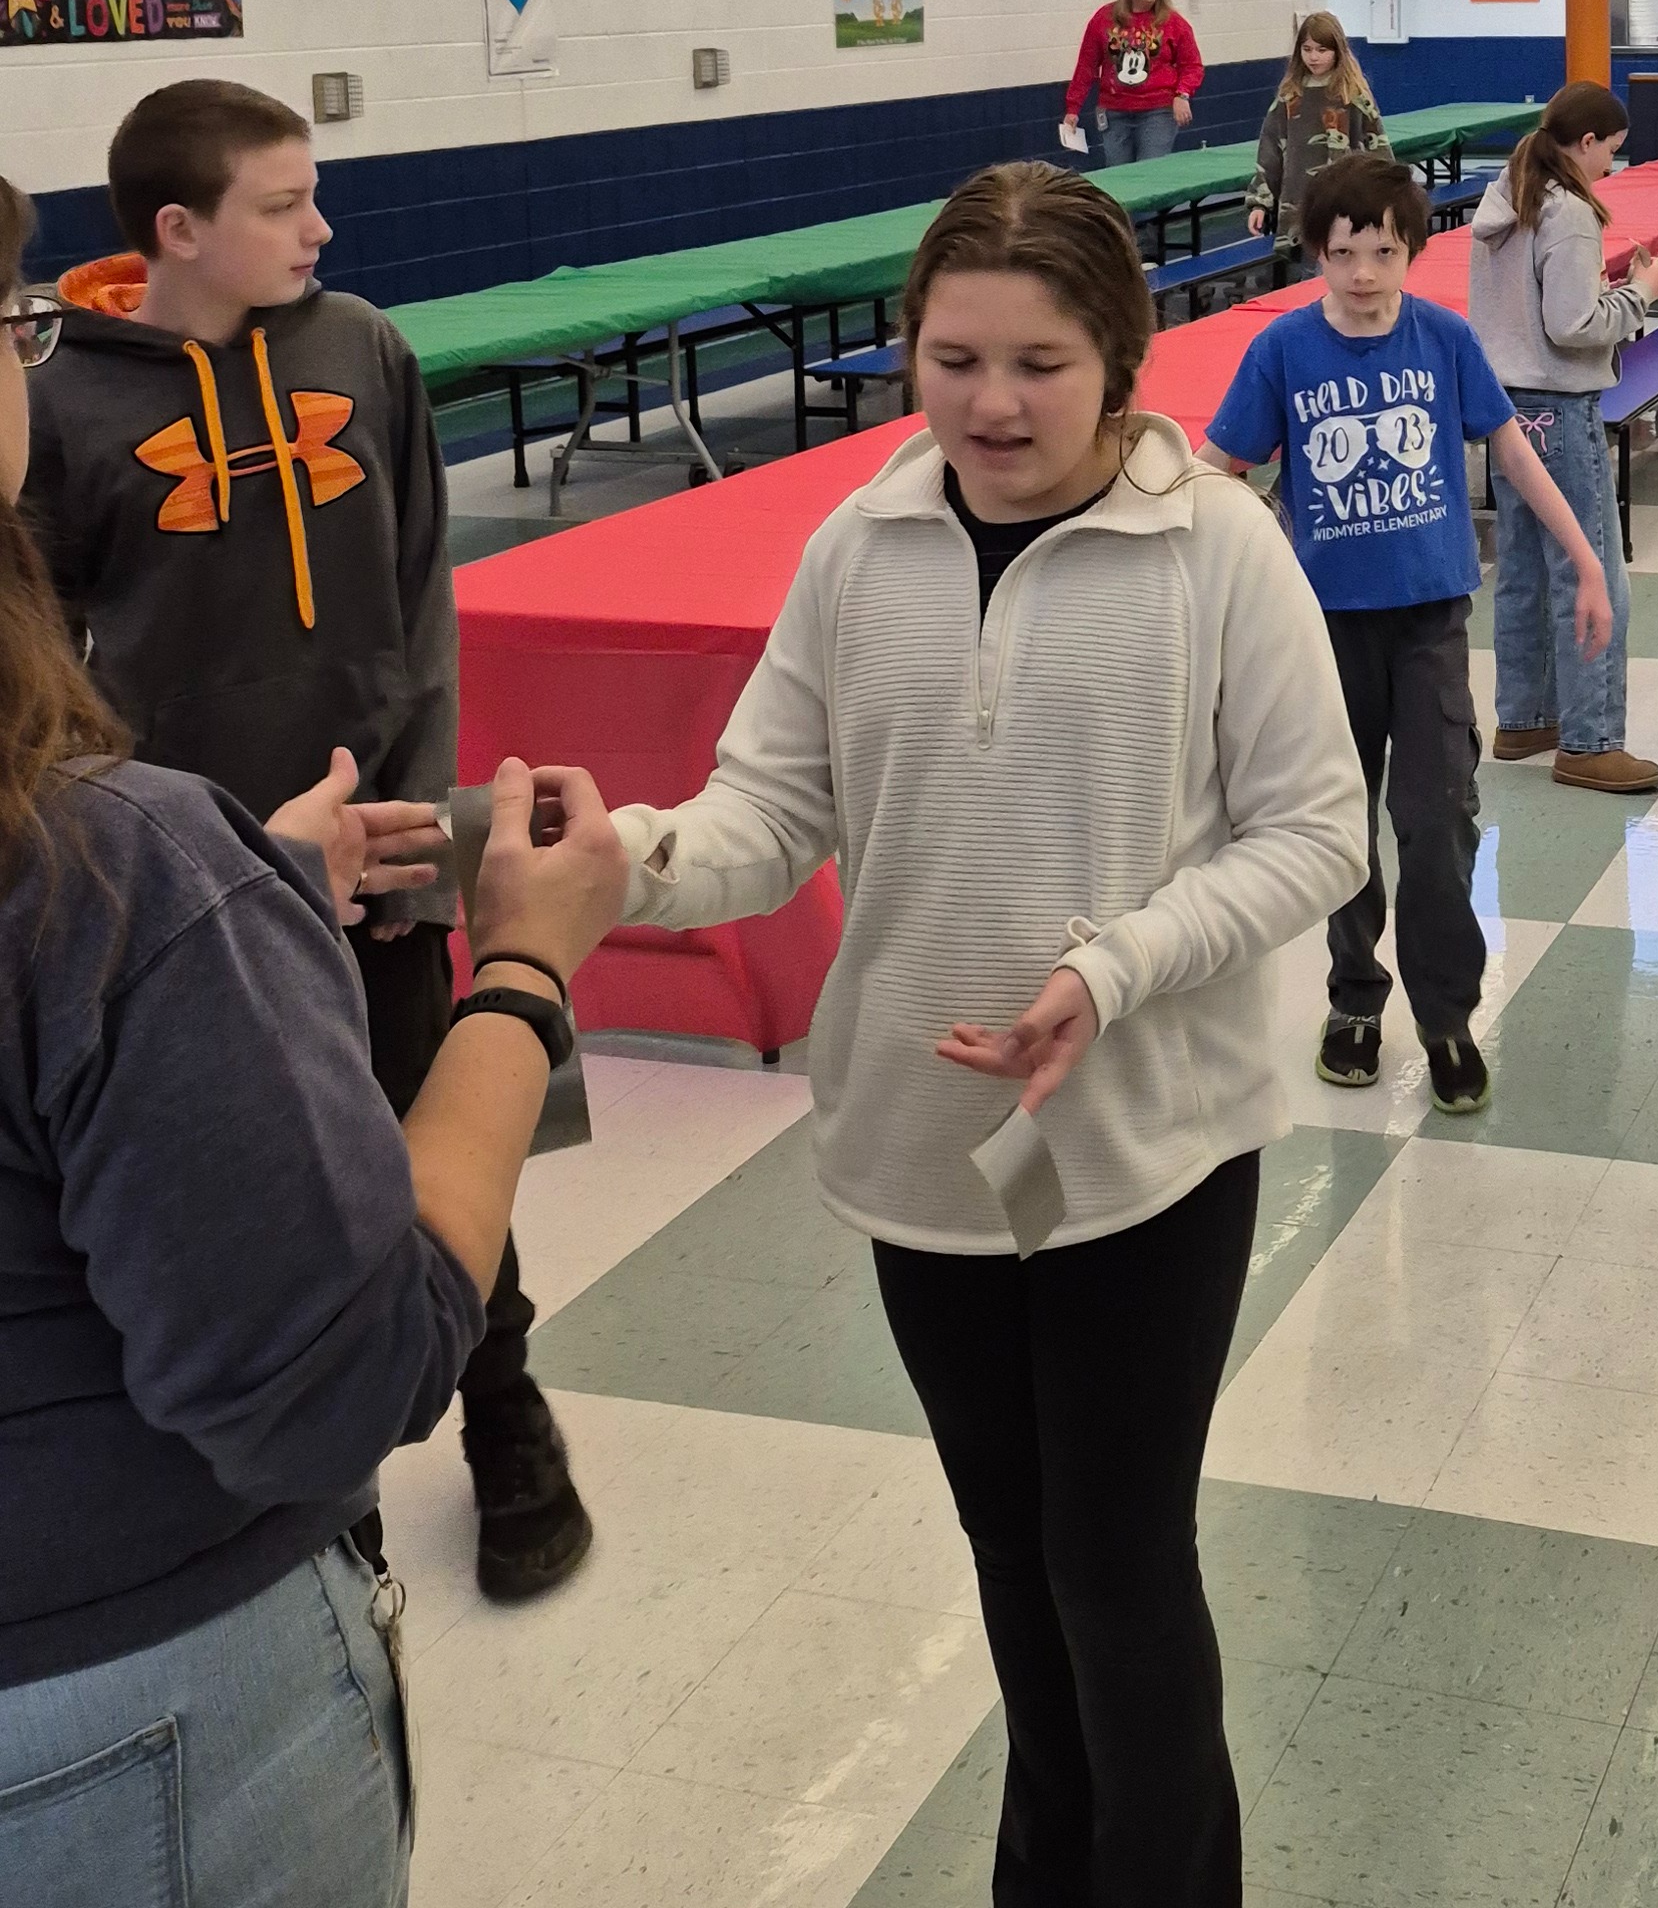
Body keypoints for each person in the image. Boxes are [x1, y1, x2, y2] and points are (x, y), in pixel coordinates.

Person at [587, 161, 1363, 1908]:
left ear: (1122, 362)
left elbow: (1319, 831)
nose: (991, 406)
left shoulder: (1218, 548)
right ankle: (1050, 1870)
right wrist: (615, 859)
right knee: (1012, 1555)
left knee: (1116, 1560)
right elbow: (766, 818)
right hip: (923, 1147)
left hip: (1150, 1142)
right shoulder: (855, 549)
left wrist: (1119, 968)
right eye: (952, 360)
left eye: (1038, 364)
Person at [0, 170, 630, 1908]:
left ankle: (519, 1420)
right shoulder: (104, 870)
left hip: (308, 856)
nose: (323, 233)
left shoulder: (359, 352)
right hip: (118, 1709)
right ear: (176, 225)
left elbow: (417, 572)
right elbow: (338, 1368)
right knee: (398, 1185)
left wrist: (284, 858)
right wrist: (525, 969)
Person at [1208, 152, 1615, 1110]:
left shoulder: (1444, 339)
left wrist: (1587, 559)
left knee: (1437, 826)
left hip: (1430, 622)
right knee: (1337, 825)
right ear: (1316, 252)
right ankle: (1354, 998)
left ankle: (1446, 1016)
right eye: (1342, 253)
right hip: (1323, 632)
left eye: (1382, 252)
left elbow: (1512, 450)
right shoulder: (1282, 352)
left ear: (1410, 252)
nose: (1361, 275)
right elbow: (1216, 465)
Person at [1467, 83, 1658, 794]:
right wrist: (1641, 290)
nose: (1614, 166)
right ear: (1585, 143)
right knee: (1591, 572)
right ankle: (1591, 740)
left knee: (1523, 568)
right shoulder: (1572, 211)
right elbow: (1573, 325)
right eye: (1612, 152)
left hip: (1505, 407)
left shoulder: (1508, 192)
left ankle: (1525, 716)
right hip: (1559, 406)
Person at [1245, 11, 1390, 242]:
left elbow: (1379, 149)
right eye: (1307, 49)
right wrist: (1259, 203)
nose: (1313, 57)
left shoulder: (1353, 96)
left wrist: (1387, 200)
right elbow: (1270, 151)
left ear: (1337, 51)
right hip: (1298, 206)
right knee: (1305, 272)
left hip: (1347, 206)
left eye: (1322, 50)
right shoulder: (1290, 96)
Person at [1059, 0, 1202, 168]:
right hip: (1114, 111)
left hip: (1158, 110)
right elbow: (1086, 67)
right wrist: (1073, 108)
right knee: (1119, 173)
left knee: (1149, 171)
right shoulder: (1104, 19)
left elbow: (1192, 65)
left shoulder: (1173, 23)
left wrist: (1182, 94)